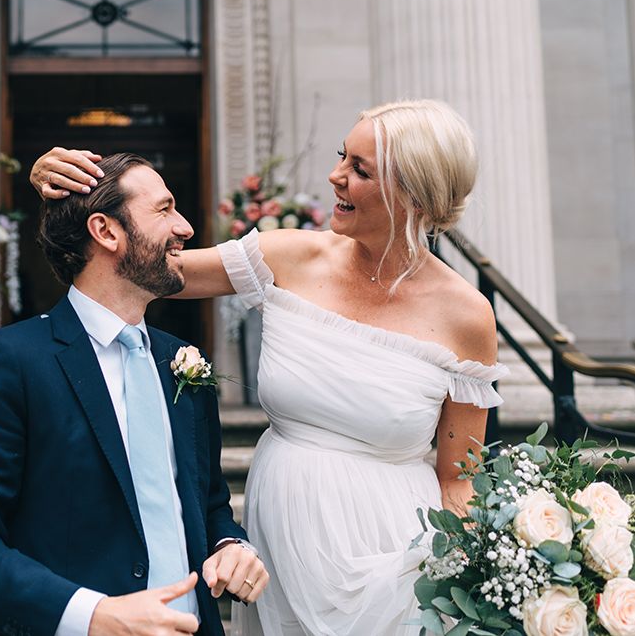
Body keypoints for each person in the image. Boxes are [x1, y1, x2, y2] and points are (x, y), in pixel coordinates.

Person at [30, 100, 509, 635]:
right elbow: (140, 262)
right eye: (341, 157)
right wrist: (61, 186)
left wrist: (460, 580)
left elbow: (458, 478)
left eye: (360, 170)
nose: (335, 176)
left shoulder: (468, 316)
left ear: (413, 194)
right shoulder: (286, 256)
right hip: (281, 548)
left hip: (397, 552)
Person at [0, 152, 269, 636]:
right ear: (106, 231)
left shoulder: (183, 362)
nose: (186, 227)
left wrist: (230, 546)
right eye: (165, 209)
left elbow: (208, 503)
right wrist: (93, 616)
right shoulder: (12, 361)